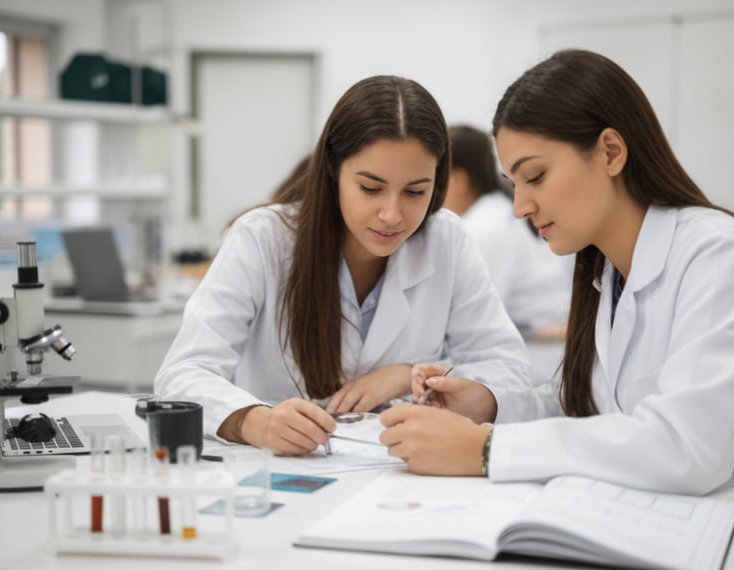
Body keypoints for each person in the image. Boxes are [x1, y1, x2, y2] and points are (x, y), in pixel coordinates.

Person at [379, 49, 734, 495]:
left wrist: (488, 449)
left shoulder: (715, 254)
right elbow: (585, 407)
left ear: (610, 151)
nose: (521, 206)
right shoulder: (605, 271)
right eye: (514, 183)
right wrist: (488, 406)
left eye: (536, 176)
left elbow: (686, 446)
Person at [154, 75, 530, 456]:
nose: (391, 214)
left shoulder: (445, 239)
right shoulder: (261, 238)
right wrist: (256, 421)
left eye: (415, 191)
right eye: (370, 188)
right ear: (334, 169)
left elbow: (506, 368)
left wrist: (408, 375)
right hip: (276, 472)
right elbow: (182, 372)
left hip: (397, 473)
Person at [443, 124, 571, 335]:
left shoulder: (482, 228)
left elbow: (473, 320)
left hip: (541, 348)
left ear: (458, 180)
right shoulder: (498, 211)